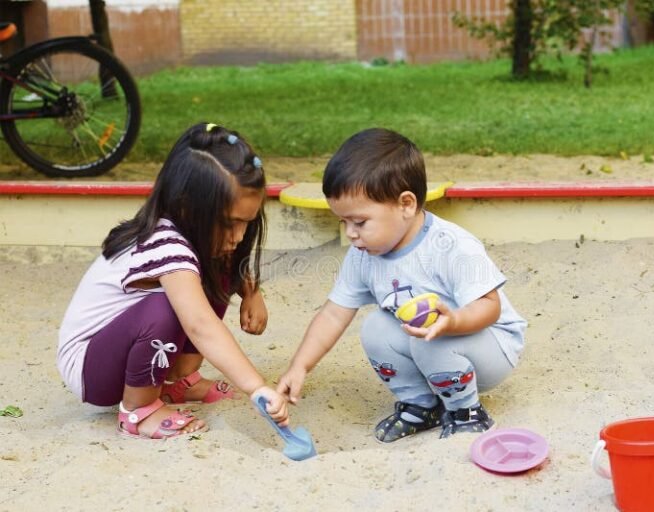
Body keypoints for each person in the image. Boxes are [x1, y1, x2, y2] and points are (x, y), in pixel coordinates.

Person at [277, 128, 526, 442]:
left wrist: (453, 322)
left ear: (406, 204)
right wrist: (300, 366)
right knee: (375, 327)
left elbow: (490, 307)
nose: (350, 233)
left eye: (360, 222)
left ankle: (466, 412)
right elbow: (333, 314)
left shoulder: (451, 246)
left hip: (489, 348)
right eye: (344, 222)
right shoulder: (363, 254)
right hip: (432, 346)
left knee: (428, 336)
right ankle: (422, 406)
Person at [57, 122, 289, 439]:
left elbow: (231, 266)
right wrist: (256, 386)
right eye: (229, 223)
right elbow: (200, 325)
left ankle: (176, 382)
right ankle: (139, 411)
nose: (238, 236)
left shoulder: (198, 238)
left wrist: (251, 292)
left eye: (246, 223)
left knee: (218, 266)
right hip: (91, 368)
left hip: (122, 352)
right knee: (166, 307)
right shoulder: (165, 243)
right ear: (185, 204)